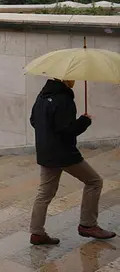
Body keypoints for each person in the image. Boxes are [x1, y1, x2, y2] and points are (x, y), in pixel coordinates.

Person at [29, 78, 116, 245]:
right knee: (94, 181)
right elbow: (67, 130)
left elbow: (33, 121)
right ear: (65, 80)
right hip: (64, 153)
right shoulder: (64, 98)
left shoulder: (42, 95)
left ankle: (37, 233)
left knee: (45, 193)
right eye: (72, 78)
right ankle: (88, 225)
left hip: (46, 152)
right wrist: (85, 121)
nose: (74, 81)